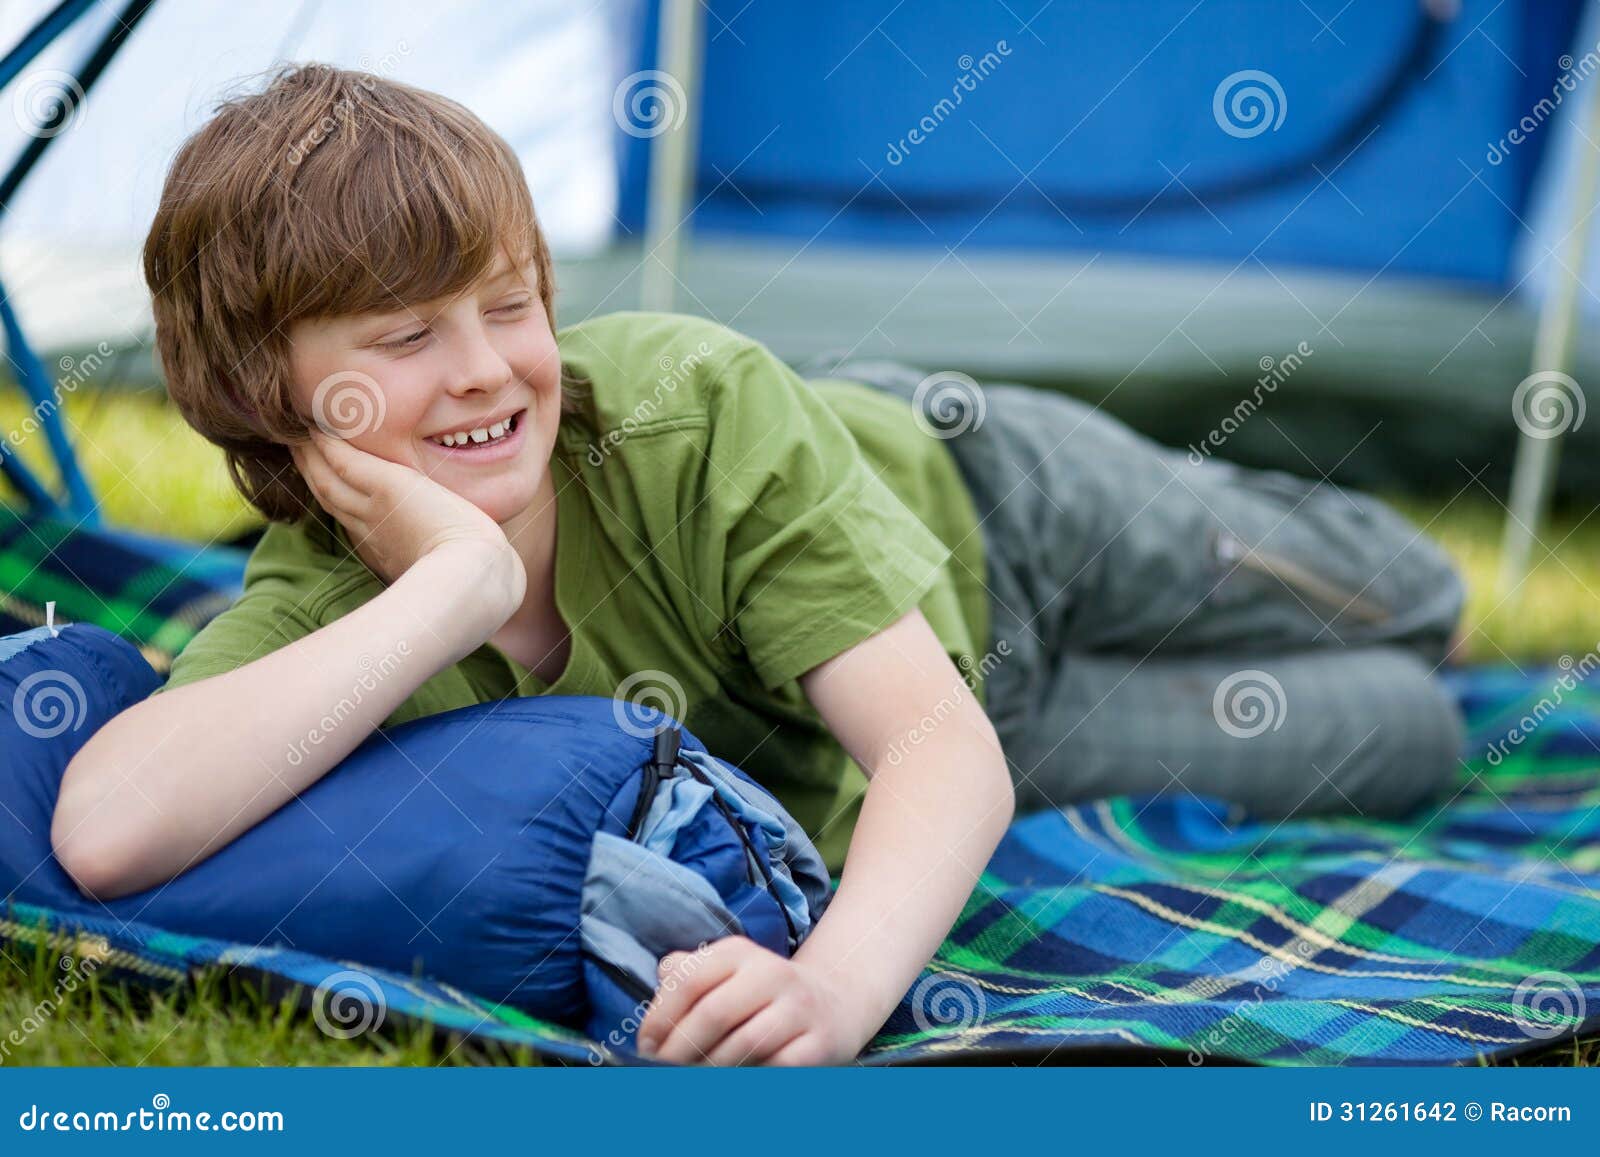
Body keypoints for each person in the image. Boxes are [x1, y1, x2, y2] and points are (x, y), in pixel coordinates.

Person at [50, 65, 1463, 1066]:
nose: (486, 369)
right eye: (406, 337)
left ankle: (1398, 594)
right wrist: (456, 589)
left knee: (1412, 596)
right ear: (270, 389)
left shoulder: (692, 404)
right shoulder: (330, 604)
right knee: (1409, 736)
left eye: (511, 303)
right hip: (991, 715)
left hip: (992, 510)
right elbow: (107, 830)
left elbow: (928, 742)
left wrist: (834, 993)